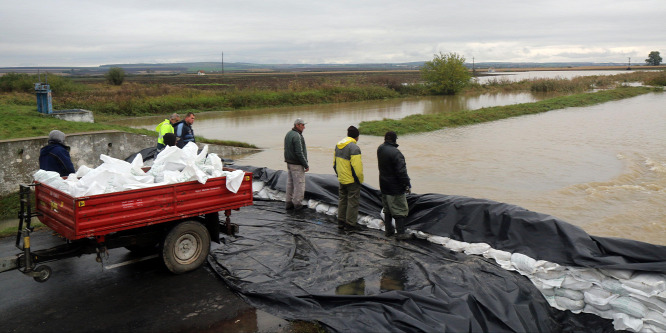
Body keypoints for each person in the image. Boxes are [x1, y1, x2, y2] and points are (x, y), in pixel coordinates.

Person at [377, 131, 412, 240]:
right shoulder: (396, 153)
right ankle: (400, 233)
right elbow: (401, 172)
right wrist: (407, 184)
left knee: (387, 209)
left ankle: (389, 231)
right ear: (395, 139)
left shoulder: (380, 149)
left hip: (384, 184)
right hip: (395, 187)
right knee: (399, 209)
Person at [333, 126, 364, 230]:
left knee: (342, 200)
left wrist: (339, 175)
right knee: (353, 202)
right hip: (352, 180)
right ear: (357, 137)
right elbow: (357, 168)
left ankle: (340, 222)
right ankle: (350, 224)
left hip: (342, 178)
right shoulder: (354, 148)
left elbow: (334, 164)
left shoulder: (338, 145)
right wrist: (359, 180)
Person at [283, 118, 309, 210]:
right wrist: (306, 164)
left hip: (289, 163)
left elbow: (286, 149)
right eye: (302, 125)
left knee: (290, 183)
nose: (304, 127)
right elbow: (299, 152)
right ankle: (298, 204)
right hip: (297, 164)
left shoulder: (288, 134)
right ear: (297, 125)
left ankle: (288, 203)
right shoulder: (297, 136)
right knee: (299, 184)